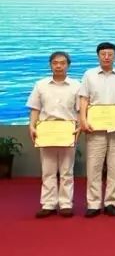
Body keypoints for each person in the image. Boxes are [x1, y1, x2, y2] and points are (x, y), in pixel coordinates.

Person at [79, 42, 115, 218]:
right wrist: (83, 120)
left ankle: (112, 202)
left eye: (110, 54)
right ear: (98, 56)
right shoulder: (89, 75)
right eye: (103, 54)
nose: (107, 57)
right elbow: (84, 99)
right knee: (94, 166)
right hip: (95, 127)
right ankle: (93, 203)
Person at [27, 51, 81, 218]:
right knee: (48, 170)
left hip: (67, 131)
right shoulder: (41, 85)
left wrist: (79, 127)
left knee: (66, 171)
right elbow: (35, 108)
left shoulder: (76, 86)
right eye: (55, 63)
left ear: (68, 65)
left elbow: (80, 110)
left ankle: (65, 204)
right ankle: (48, 204)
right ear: (50, 65)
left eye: (62, 63)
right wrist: (32, 126)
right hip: (46, 131)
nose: (59, 66)